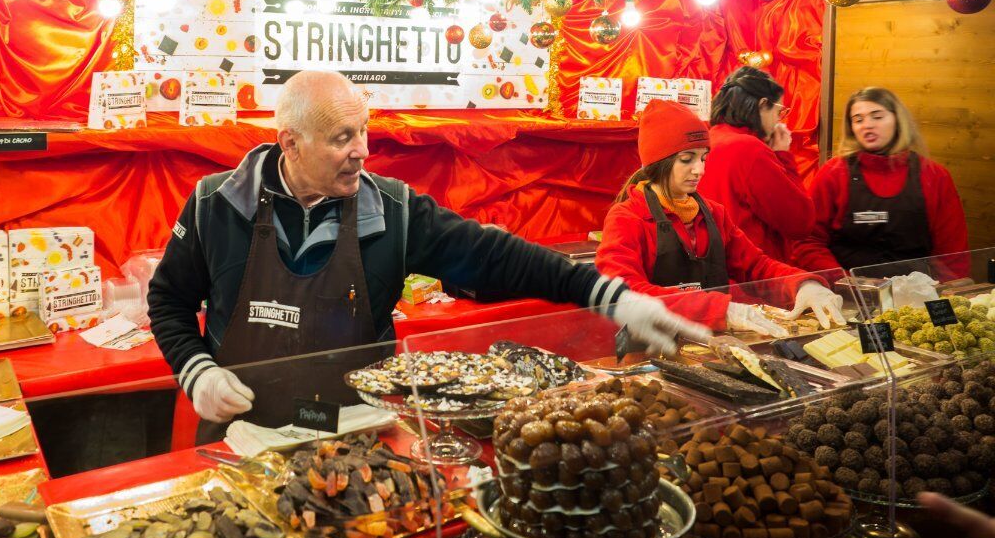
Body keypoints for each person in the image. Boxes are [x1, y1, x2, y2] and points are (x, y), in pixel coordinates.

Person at [148, 70, 709, 439]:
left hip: (355, 433)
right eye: (342, 138)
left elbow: (493, 256)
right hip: (240, 434)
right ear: (290, 143)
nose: (363, 152)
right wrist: (196, 372)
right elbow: (168, 300)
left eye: (364, 132)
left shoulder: (392, 210)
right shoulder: (215, 204)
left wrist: (609, 296)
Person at [595, 99, 846, 337]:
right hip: (650, 347)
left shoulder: (714, 213)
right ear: (658, 163)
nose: (700, 169)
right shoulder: (627, 217)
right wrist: (721, 309)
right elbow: (622, 292)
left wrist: (803, 285)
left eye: (703, 158)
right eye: (687, 159)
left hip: (713, 345)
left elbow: (757, 267)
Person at [792, 87, 969, 279]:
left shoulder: (935, 176)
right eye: (858, 119)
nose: (867, 125)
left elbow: (952, 252)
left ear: (897, 121)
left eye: (877, 117)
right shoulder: (833, 173)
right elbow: (808, 241)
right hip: (849, 297)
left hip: (917, 297)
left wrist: (950, 290)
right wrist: (844, 282)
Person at [699, 67, 815, 260]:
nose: (779, 120)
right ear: (763, 105)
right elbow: (801, 222)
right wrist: (783, 155)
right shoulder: (749, 149)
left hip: (716, 266)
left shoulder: (709, 139)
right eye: (779, 112)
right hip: (753, 274)